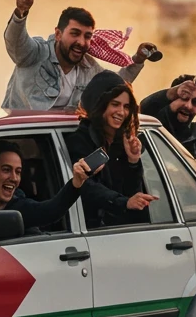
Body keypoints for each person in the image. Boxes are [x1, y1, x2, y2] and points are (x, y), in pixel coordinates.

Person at [2, 0, 162, 111]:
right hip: (19, 135)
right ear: (58, 34)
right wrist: (21, 12)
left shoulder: (88, 67)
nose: (81, 42)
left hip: (59, 139)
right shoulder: (36, 53)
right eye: (75, 34)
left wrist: (138, 59)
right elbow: (15, 41)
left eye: (87, 36)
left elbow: (115, 85)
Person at [65, 70, 158, 227]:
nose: (121, 112)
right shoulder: (80, 141)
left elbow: (133, 194)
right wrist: (123, 202)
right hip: (91, 229)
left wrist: (133, 162)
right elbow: (86, 186)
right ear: (99, 105)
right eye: (115, 104)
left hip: (124, 228)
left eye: (126, 106)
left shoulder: (125, 142)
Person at [0, 138, 98, 232]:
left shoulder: (21, 209)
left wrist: (76, 182)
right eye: (6, 170)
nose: (14, 178)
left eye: (18, 172)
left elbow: (51, 210)